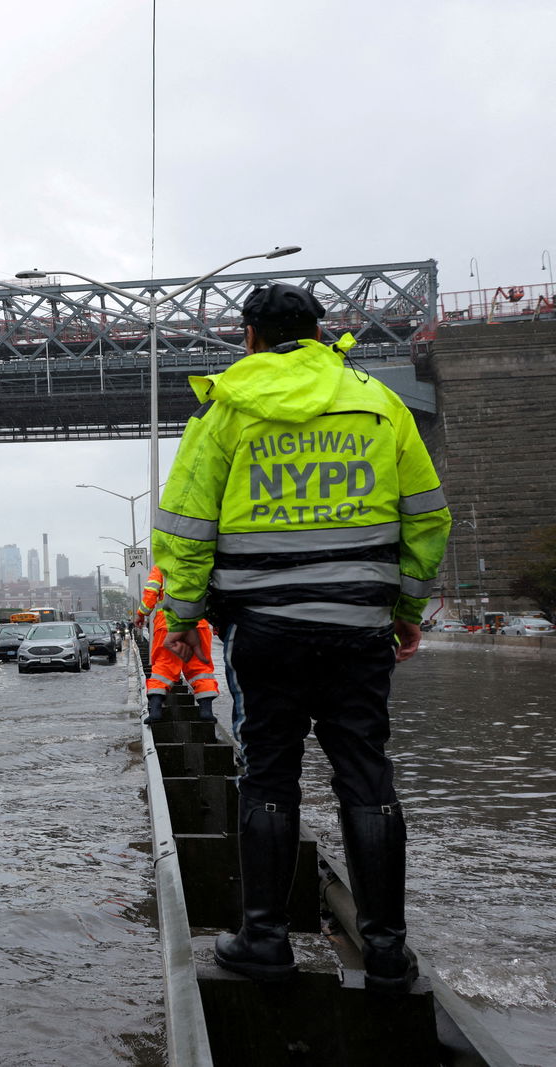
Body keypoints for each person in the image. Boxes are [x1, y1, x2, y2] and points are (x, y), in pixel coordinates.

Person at [152, 281, 450, 992]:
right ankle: (386, 953)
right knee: (367, 777)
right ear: (322, 333)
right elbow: (428, 517)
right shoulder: (380, 405)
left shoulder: (226, 407)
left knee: (268, 774)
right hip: (358, 630)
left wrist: (185, 621)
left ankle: (265, 940)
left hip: (264, 632)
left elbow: (186, 530)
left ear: (248, 336)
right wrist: (407, 608)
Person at [135, 563, 218, 724]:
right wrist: (218, 621)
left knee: (163, 667)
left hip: (168, 625)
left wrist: (141, 614)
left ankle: (156, 711)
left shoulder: (162, 567)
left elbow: (150, 594)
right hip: (197, 624)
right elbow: (215, 594)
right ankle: (206, 712)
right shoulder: (201, 564)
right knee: (200, 668)